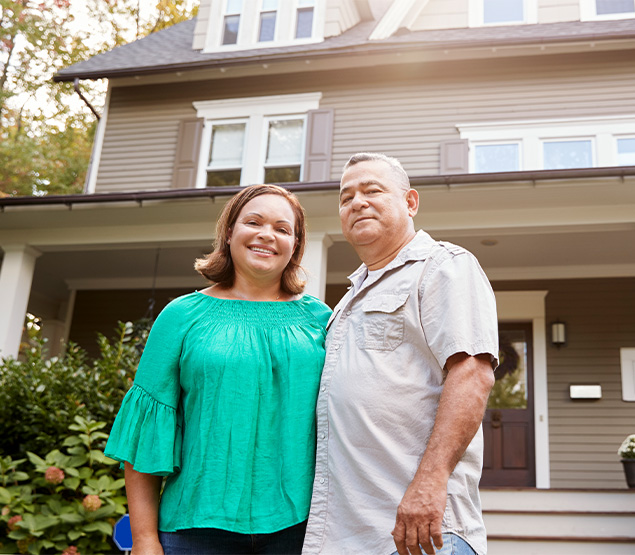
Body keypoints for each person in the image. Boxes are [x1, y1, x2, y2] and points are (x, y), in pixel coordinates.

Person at [105, 184, 331, 555]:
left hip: (301, 529)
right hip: (195, 530)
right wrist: (145, 540)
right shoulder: (180, 317)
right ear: (229, 232)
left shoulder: (321, 321)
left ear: (295, 244)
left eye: (281, 228)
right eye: (253, 222)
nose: (266, 235)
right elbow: (146, 437)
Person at [302, 153, 498, 555]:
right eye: (346, 197)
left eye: (372, 190)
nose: (357, 202)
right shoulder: (347, 299)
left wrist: (430, 482)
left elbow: (472, 374)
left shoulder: (443, 267)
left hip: (419, 532)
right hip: (346, 533)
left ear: (410, 202)